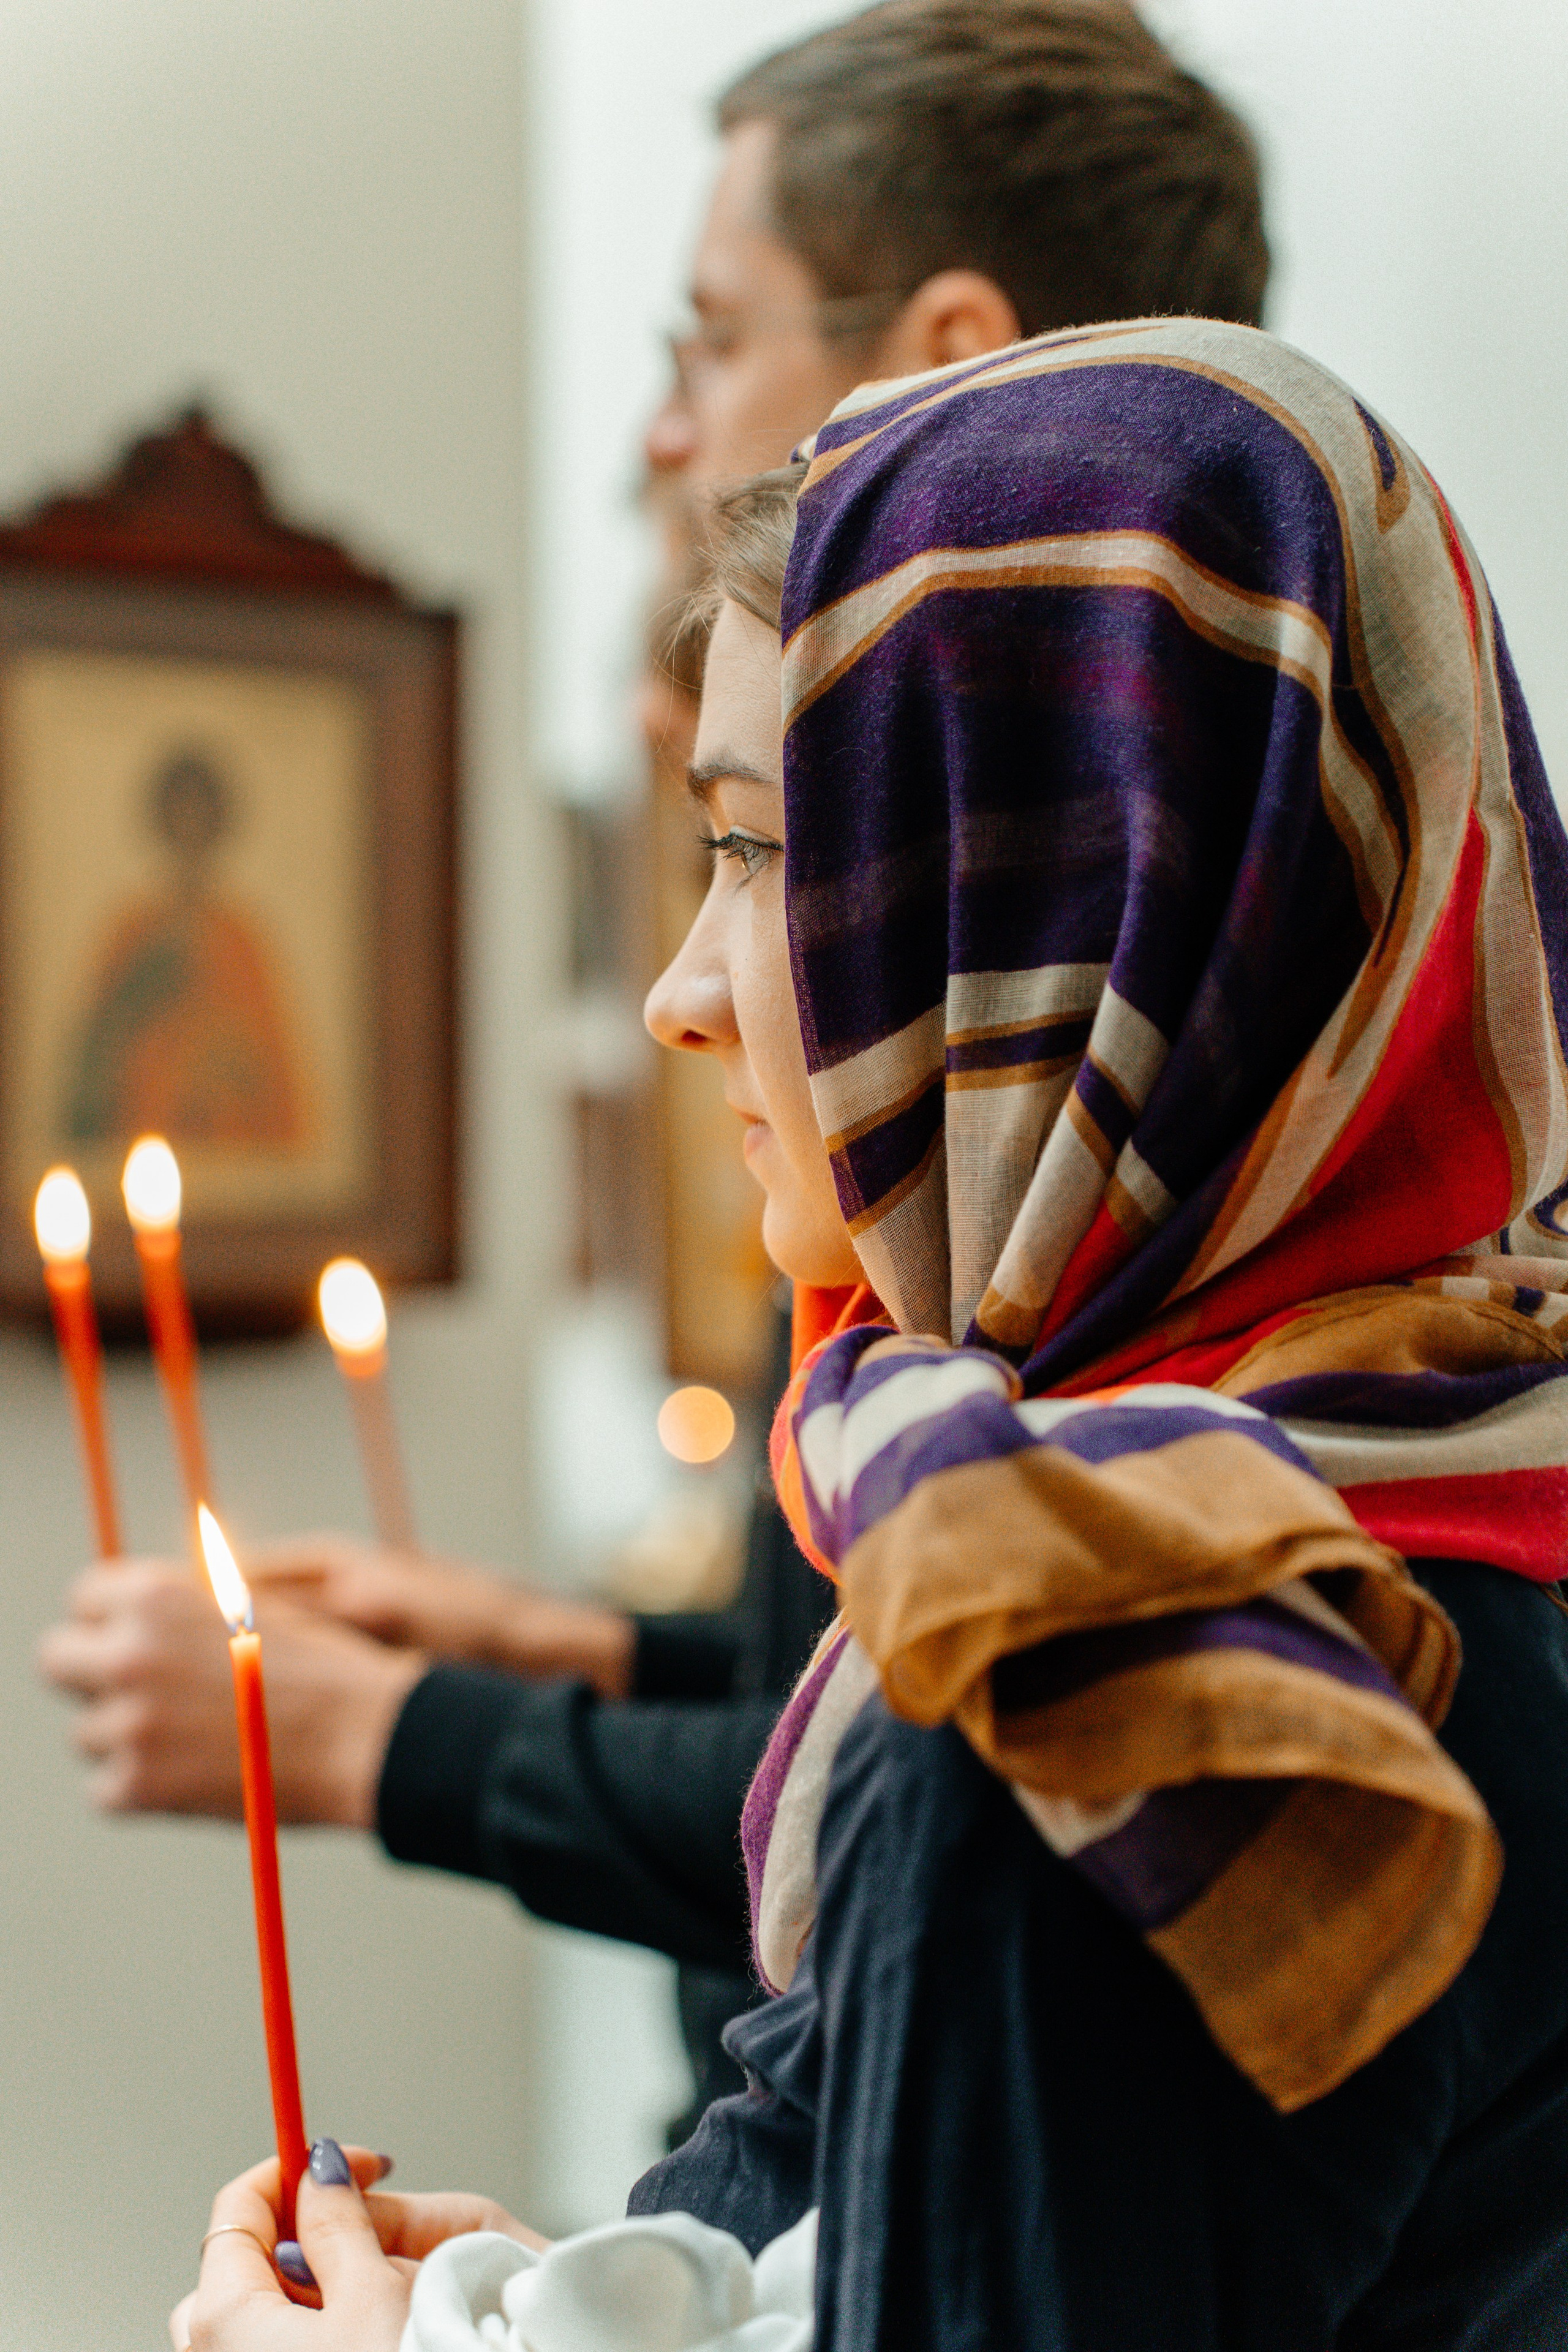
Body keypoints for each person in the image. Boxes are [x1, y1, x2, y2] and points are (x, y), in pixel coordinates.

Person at [173, 316, 1568, 2349]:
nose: (680, 994)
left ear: (1083, 911)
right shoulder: (1474, 1455)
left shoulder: (1103, 1661)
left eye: (759, 851)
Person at [41, 0, 1272, 2117]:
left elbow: (991, 1796)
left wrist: (391, 1738)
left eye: (706, 340)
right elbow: (884, 1669)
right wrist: (580, 1653)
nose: (659, 432)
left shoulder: (1125, 1118)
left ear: (940, 351)